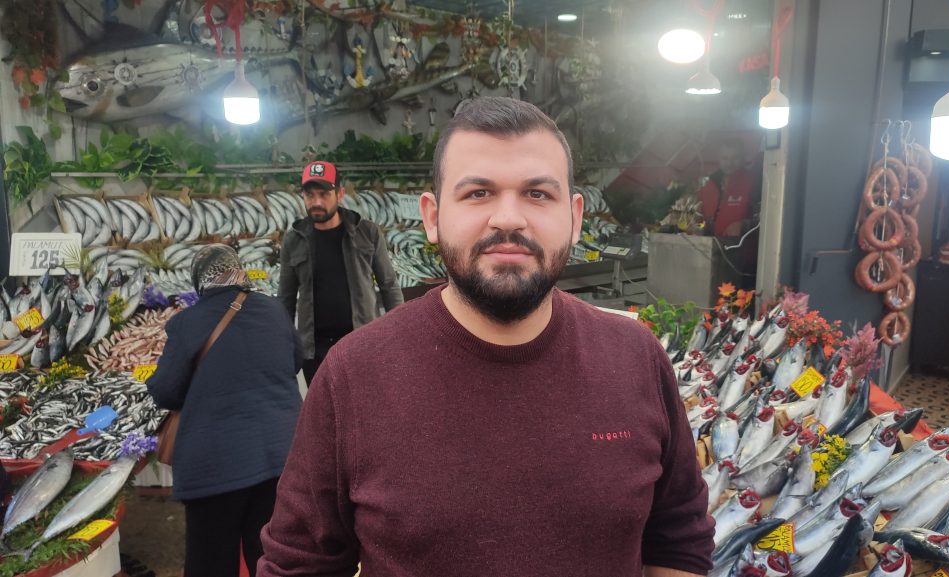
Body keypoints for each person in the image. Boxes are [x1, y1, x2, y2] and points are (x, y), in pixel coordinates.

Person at [258, 97, 714, 577]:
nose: (508, 219)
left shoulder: (636, 357)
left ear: (575, 217)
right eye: (478, 193)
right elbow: (299, 563)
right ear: (432, 217)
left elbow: (678, 540)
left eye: (538, 193)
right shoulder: (354, 374)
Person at [148, 244, 303, 577]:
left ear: (199, 281)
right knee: (271, 559)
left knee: (212, 562)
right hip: (281, 457)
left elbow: (165, 390)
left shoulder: (186, 323)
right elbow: (295, 361)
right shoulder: (274, 310)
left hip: (216, 468)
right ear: (238, 272)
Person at [279, 161, 404, 384]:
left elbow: (389, 285)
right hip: (315, 351)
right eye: (310, 195)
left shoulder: (367, 232)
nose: (316, 202)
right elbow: (285, 298)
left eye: (324, 194)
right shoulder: (293, 239)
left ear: (340, 194)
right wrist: (282, 342)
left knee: (367, 401)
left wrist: (401, 332)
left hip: (362, 343)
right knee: (323, 406)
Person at [696, 138, 758, 238]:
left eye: (735, 158)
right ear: (719, 158)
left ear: (743, 158)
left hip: (740, 245)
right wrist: (697, 226)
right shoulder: (709, 183)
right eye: (725, 158)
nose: (729, 163)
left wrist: (744, 225)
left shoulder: (754, 182)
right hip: (709, 244)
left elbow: (766, 218)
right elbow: (699, 219)